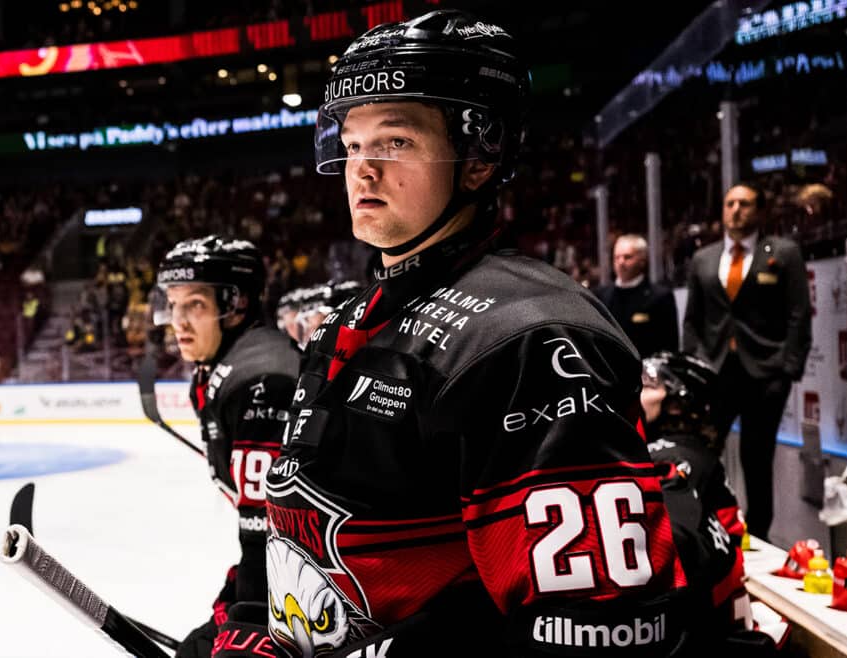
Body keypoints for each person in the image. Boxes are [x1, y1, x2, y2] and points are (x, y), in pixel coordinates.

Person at [255, 10, 689, 657]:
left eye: (394, 142)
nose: (362, 170)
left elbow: (598, 630)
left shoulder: (532, 333)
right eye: (352, 144)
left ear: (480, 157)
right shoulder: (358, 312)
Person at [153, 235, 301, 658]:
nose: (177, 321)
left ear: (236, 305)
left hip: (308, 592)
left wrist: (248, 620)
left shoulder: (262, 381)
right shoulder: (229, 367)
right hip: (288, 581)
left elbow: (275, 532)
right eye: (173, 304)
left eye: (195, 305)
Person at [682, 181, 812, 541]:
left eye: (745, 203)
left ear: (760, 210)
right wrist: (691, 367)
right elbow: (693, 319)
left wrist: (788, 370)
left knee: (758, 461)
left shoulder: (783, 253)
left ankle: (758, 539)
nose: (736, 210)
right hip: (713, 372)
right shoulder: (704, 259)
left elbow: (798, 314)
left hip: (765, 374)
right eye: (729, 203)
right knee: (700, 454)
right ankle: (700, 530)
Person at [640, 351, 787, 655]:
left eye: (648, 384)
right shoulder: (693, 454)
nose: (636, 392)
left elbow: (675, 541)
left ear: (678, 404)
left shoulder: (673, 457)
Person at [593, 234, 679, 357]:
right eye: (616, 257)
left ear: (642, 261)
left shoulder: (660, 297)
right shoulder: (599, 296)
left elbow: (669, 346)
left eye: (627, 257)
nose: (621, 262)